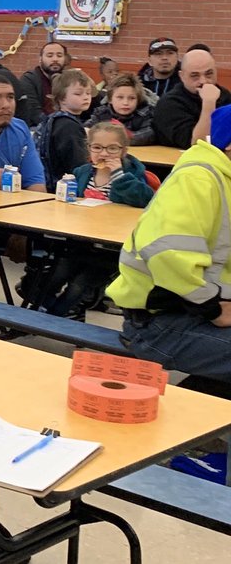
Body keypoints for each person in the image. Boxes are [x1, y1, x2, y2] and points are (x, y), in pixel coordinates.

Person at [109, 104, 231, 383]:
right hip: (159, 322)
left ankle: (206, 414)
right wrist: (213, 309)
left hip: (195, 310)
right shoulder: (198, 178)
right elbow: (167, 252)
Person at [39, 123, 154, 319]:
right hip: (79, 241)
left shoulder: (132, 174)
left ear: (123, 151)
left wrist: (119, 176)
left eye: (112, 148)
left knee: (79, 285)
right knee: (56, 274)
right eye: (98, 148)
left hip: (109, 247)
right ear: (89, 148)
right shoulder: (82, 173)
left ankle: (54, 316)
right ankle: (44, 310)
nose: (104, 154)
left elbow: (145, 199)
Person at [153, 49, 231, 148]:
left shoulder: (224, 95)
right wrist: (209, 103)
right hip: (175, 161)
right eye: (195, 76)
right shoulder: (169, 104)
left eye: (209, 74)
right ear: (182, 76)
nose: (203, 81)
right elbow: (198, 144)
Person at [35, 69, 94, 190]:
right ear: (62, 98)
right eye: (78, 94)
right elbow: (78, 164)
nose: (85, 97)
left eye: (88, 93)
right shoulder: (68, 126)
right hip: (62, 187)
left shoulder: (53, 119)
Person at [86, 73, 155, 146]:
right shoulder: (101, 113)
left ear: (138, 100)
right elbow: (86, 129)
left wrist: (124, 133)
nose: (125, 103)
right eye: (120, 97)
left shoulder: (145, 113)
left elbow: (149, 135)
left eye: (132, 98)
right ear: (110, 99)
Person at [16, 41, 68, 126]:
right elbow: (33, 111)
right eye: (49, 55)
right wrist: (55, 126)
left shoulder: (69, 79)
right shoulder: (29, 79)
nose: (55, 59)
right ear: (40, 59)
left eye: (59, 55)